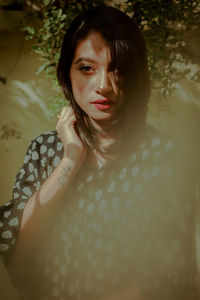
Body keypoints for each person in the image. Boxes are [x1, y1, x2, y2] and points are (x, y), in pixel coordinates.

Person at [0, 5, 199, 300]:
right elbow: (17, 254)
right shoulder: (45, 150)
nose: (103, 85)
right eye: (86, 68)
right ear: (67, 74)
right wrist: (70, 159)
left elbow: (170, 273)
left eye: (117, 68)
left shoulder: (161, 157)